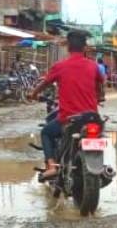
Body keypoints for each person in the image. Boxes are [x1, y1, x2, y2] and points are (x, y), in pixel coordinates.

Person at [29, 31, 104, 181]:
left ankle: (51, 167)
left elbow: (45, 83)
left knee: (46, 132)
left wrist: (33, 93)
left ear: (68, 46)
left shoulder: (60, 66)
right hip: (92, 118)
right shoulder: (94, 66)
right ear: (85, 47)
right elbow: (100, 88)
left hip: (69, 120)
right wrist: (100, 97)